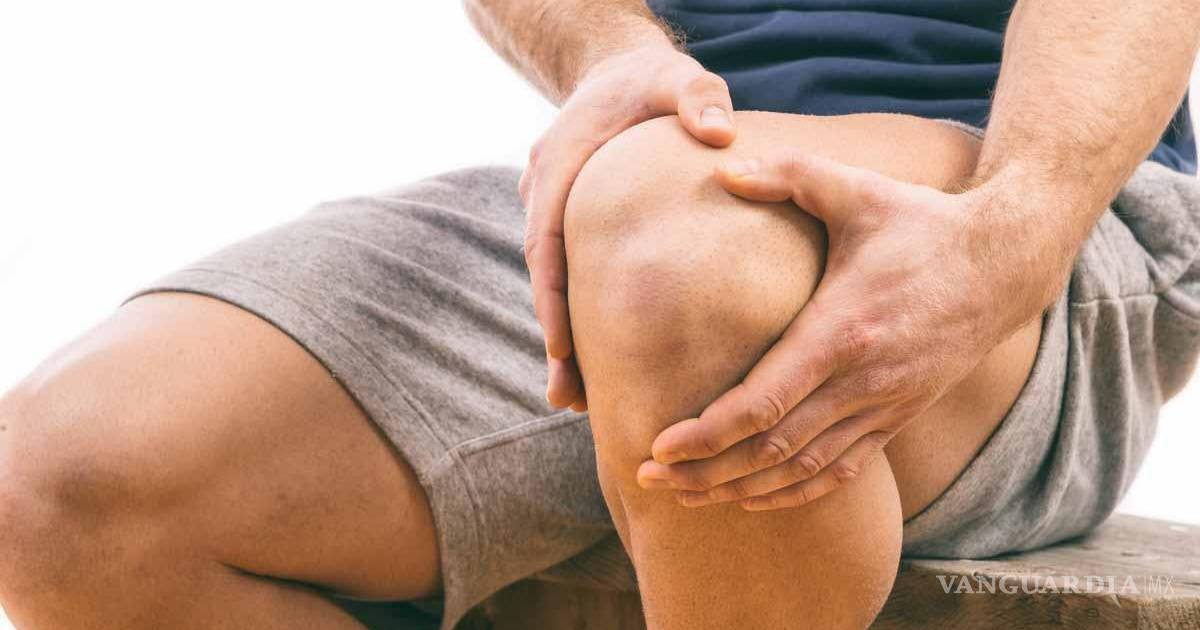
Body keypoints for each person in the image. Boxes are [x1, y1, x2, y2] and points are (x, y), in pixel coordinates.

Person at [1, 1, 1198, 628]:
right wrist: (613, 53)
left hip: (1022, 184)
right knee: (59, 494)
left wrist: (1015, 231)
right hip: (643, 190)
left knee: (683, 256)